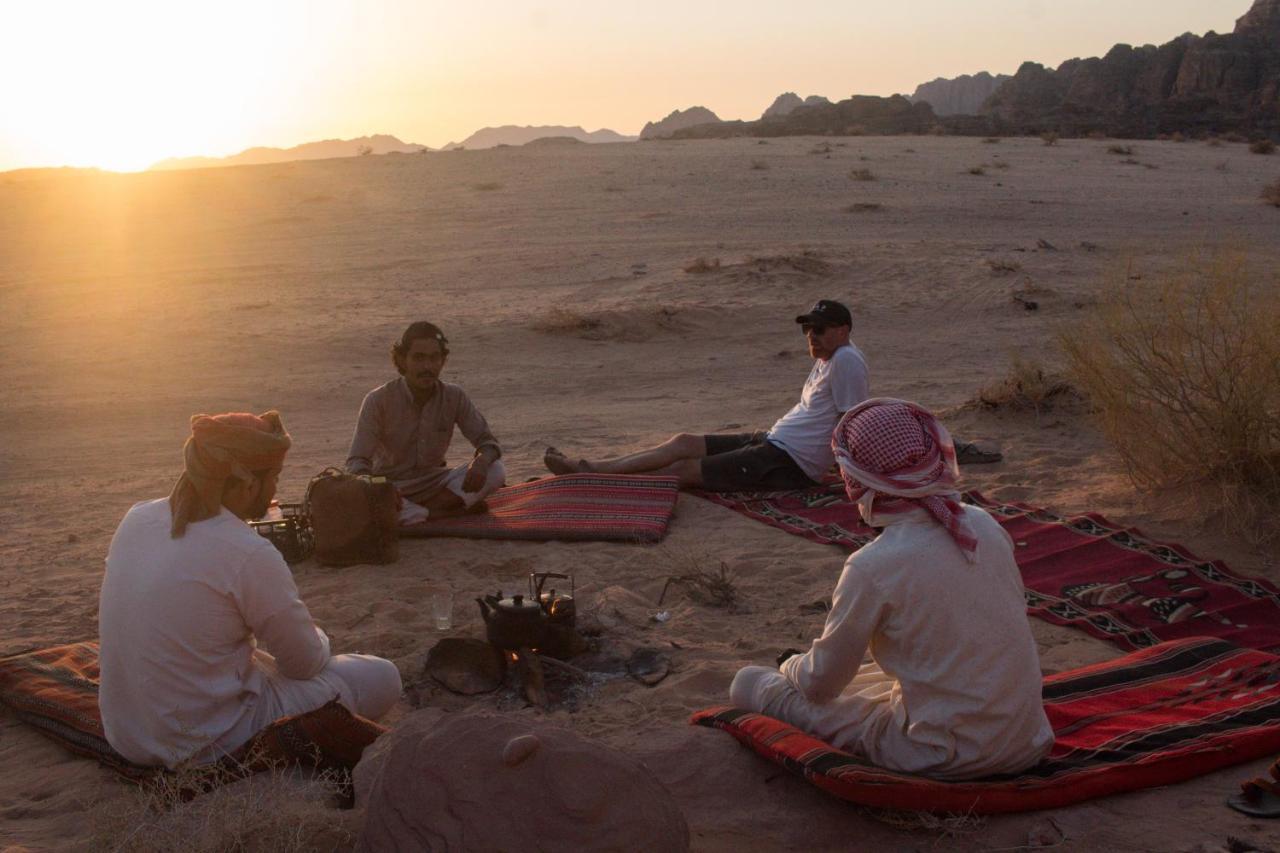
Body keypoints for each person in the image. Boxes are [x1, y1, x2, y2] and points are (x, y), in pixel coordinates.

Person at [729, 398, 1052, 780]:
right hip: (1029, 741)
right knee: (881, 675)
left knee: (748, 682)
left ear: (858, 481)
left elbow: (819, 685)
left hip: (943, 755)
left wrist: (789, 665)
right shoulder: (983, 525)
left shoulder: (872, 566)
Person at [98, 411, 401, 768]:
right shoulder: (247, 551)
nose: (275, 490)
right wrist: (317, 636)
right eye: (273, 477)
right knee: (379, 675)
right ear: (245, 482)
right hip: (208, 742)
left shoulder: (136, 517)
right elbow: (304, 664)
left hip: (126, 736)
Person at [544, 299, 870, 490]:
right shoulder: (830, 356)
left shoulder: (846, 362)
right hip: (774, 441)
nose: (811, 336)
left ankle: (602, 484)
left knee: (685, 470)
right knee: (683, 442)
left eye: (819, 329)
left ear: (843, 331)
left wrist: (849, 475)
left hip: (789, 462)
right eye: (807, 329)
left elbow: (850, 423)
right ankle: (594, 467)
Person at [346, 321, 506, 520]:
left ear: (443, 361)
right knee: (360, 500)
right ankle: (438, 514)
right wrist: (377, 487)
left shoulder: (454, 396)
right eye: (419, 358)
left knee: (496, 469)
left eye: (434, 358)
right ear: (402, 360)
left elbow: (488, 442)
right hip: (391, 486)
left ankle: (421, 514)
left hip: (435, 483)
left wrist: (481, 461)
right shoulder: (378, 400)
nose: (427, 367)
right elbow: (356, 462)